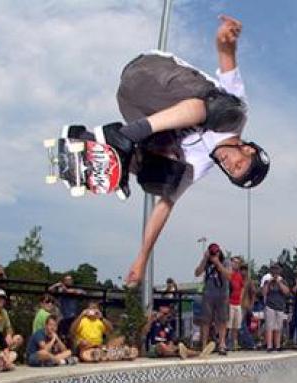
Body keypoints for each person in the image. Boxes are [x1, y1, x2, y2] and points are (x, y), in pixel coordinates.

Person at [67, 15, 269, 287]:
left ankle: (95, 144)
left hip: (131, 105)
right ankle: (124, 138)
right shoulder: (236, 116)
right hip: (151, 73)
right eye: (238, 163)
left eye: (231, 172)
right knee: (225, 110)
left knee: (170, 178)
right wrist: (226, 40)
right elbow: (226, 58)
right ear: (246, 148)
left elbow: (165, 206)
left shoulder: (200, 165)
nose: (229, 165)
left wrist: (141, 258)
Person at [195, 242, 230, 354]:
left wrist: (218, 263)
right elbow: (197, 273)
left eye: (216, 252)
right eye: (212, 253)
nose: (214, 255)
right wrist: (205, 259)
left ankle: (222, 344)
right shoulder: (207, 263)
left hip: (222, 294)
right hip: (208, 294)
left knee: (222, 320)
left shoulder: (225, 262)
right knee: (206, 320)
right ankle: (204, 344)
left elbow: (229, 275)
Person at [262, 264, 290, 352]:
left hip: (280, 306)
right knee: (269, 326)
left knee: (278, 327)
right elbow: (264, 293)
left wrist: (278, 282)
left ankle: (277, 345)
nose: (275, 273)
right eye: (273, 270)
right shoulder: (267, 281)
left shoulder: (282, 281)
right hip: (270, 306)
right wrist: (269, 282)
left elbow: (286, 292)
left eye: (277, 270)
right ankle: (269, 345)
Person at [47, 274, 83, 339]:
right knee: (61, 336)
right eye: (66, 280)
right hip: (62, 318)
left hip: (73, 318)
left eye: (70, 279)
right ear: (64, 281)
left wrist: (66, 290)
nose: (69, 281)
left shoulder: (76, 289)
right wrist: (57, 285)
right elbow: (49, 290)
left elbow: (80, 292)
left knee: (72, 336)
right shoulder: (60, 290)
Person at [227, 256, 245, 351]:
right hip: (230, 302)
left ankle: (235, 342)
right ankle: (227, 342)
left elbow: (242, 287)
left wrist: (241, 298)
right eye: (234, 262)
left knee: (236, 325)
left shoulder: (239, 275)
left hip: (237, 303)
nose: (236, 264)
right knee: (229, 325)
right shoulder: (229, 274)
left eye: (237, 263)